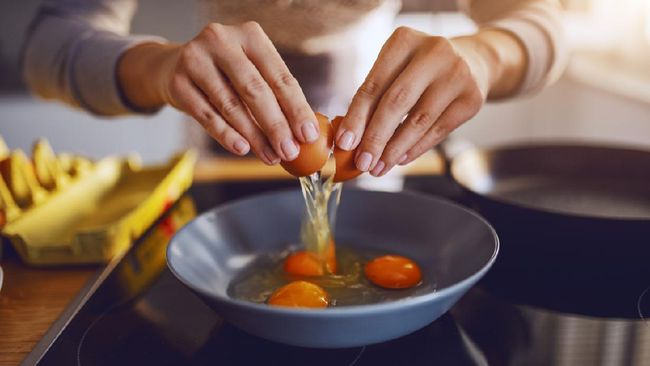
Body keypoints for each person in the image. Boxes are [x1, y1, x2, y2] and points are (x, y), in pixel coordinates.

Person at [22, 0, 565, 177]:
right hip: (221, 140)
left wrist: (485, 56)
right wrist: (161, 69)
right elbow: (48, 47)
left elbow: (546, 22)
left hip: (378, 136)